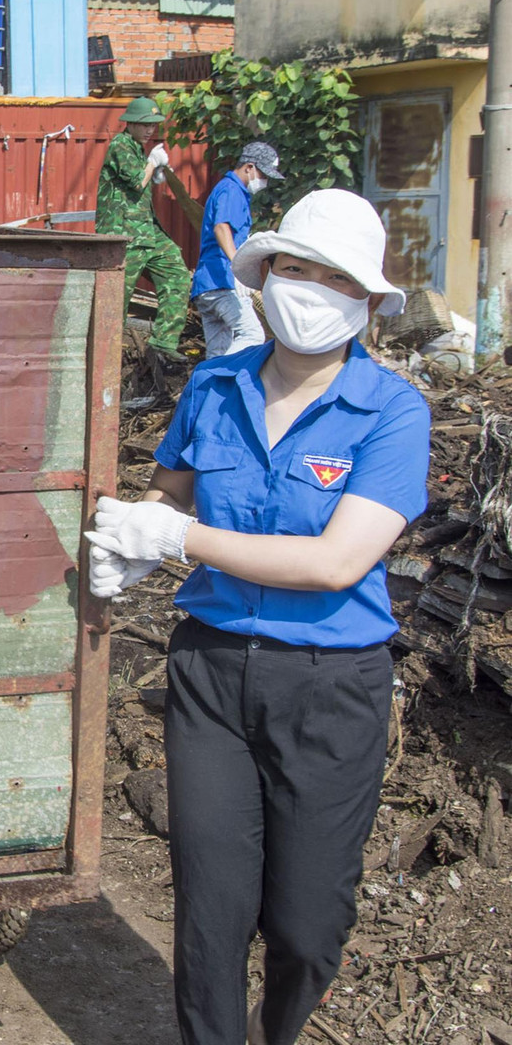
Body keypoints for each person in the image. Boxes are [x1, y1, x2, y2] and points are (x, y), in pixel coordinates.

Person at [86, 189, 428, 1045]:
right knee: (212, 908)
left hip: (330, 686)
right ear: (265, 275)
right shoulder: (215, 384)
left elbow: (335, 564)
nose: (309, 289)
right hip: (210, 674)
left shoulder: (391, 411)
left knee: (309, 927)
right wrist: (132, 533)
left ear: (367, 300)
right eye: (295, 267)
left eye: (334, 277)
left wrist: (178, 535)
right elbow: (171, 492)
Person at [95, 96, 191, 360]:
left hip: (148, 234)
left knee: (178, 275)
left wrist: (155, 169)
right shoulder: (120, 145)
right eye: (144, 124)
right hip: (123, 236)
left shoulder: (136, 148)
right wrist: (152, 163)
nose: (150, 130)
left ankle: (164, 343)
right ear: (131, 124)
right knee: (116, 299)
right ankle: (106, 356)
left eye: (153, 125)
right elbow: (138, 182)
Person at [191, 142, 285, 358]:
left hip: (207, 286)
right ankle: (224, 375)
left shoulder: (228, 189)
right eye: (263, 174)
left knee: (218, 351)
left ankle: (210, 388)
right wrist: (238, 268)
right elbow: (221, 226)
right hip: (222, 282)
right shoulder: (232, 190)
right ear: (249, 167)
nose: (265, 181)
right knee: (252, 334)